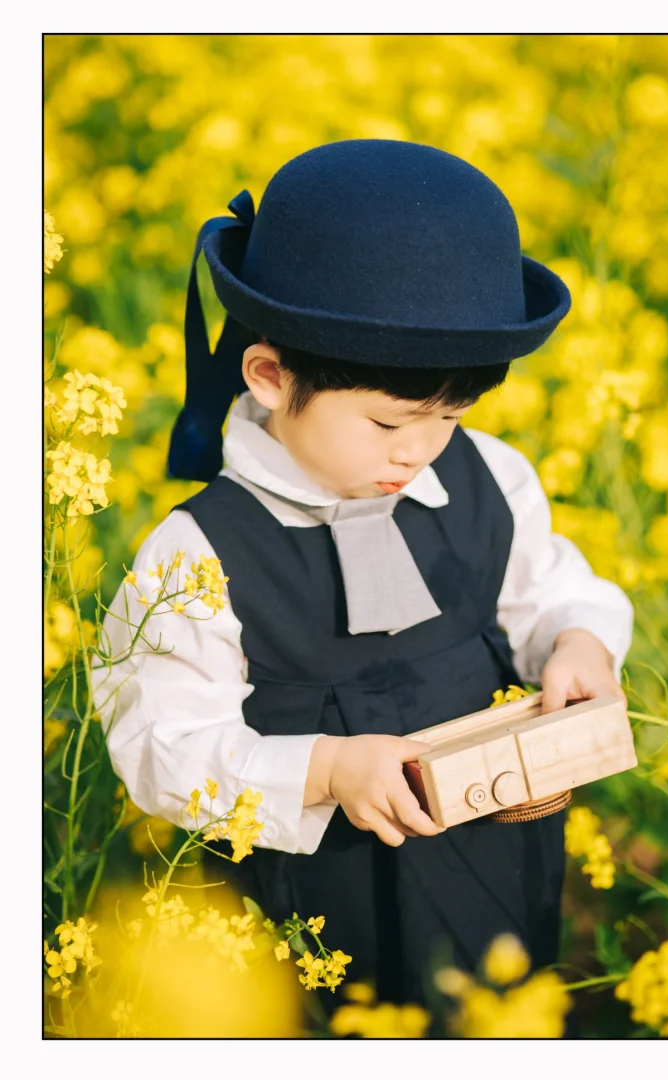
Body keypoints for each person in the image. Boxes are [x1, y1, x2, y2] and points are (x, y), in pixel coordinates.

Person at [98, 140, 633, 1004]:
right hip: (310, 906)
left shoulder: (488, 475)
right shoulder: (197, 552)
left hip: (494, 857)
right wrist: (327, 771)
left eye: (448, 417)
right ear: (271, 377)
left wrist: (577, 643)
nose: (417, 451)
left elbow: (555, 590)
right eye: (387, 426)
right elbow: (160, 745)